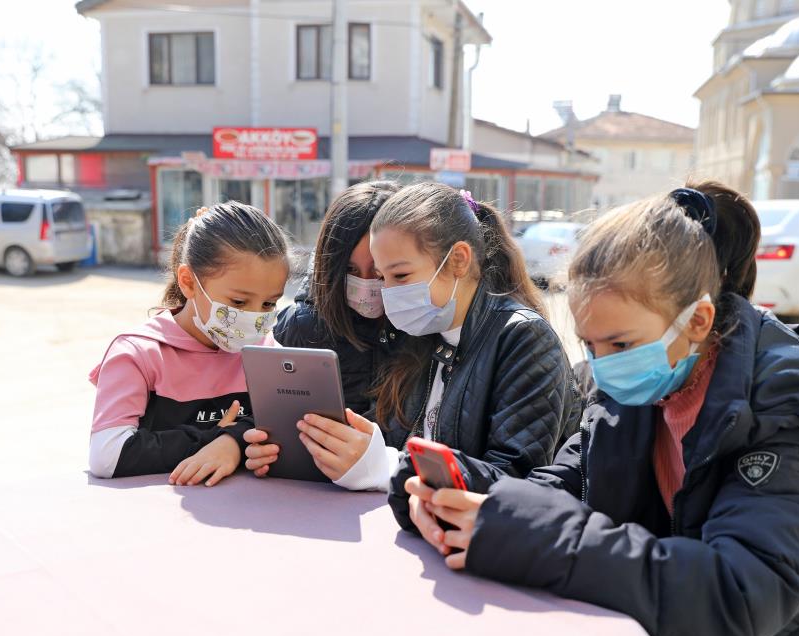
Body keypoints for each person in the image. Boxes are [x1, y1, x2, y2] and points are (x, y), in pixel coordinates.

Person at [399, 183, 799, 636]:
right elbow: (560, 491)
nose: (602, 365)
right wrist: (454, 487)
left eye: (620, 345)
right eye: (590, 345)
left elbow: (739, 596)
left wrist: (542, 538)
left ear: (697, 321)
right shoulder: (637, 391)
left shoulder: (781, 410)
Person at [245, 182, 579, 493]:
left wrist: (387, 467)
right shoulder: (423, 334)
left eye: (399, 276)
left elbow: (516, 482)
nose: (386, 293)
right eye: (383, 277)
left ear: (458, 260)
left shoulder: (521, 338)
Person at [88, 202, 290, 486]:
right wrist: (213, 439)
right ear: (189, 282)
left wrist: (232, 442)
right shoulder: (139, 354)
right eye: (238, 302)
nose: (254, 316)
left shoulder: (266, 351)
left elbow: (289, 423)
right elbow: (108, 455)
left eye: (269, 303)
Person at [272, 180, 402, 416]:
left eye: (378, 270)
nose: (366, 283)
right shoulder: (301, 327)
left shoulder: (422, 327)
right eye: (350, 270)